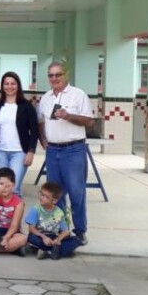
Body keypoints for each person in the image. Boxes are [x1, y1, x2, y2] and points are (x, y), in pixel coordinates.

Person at [37, 61, 94, 245]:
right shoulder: (45, 98)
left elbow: (89, 121)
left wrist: (68, 115)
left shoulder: (78, 95)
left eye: (58, 74)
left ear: (65, 76)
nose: (54, 78)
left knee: (76, 193)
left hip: (73, 150)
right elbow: (41, 121)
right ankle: (61, 230)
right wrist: (43, 140)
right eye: (51, 75)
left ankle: (79, 231)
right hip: (53, 150)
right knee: (54, 194)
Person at [0, 72, 39, 197]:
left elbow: (34, 131)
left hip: (19, 152)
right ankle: (3, 216)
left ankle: (15, 217)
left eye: (13, 83)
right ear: (2, 86)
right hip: (0, 151)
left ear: (18, 85)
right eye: (6, 84)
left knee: (14, 188)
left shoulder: (26, 106)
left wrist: (31, 151)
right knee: (3, 188)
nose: (9, 86)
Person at [26, 182, 82, 260]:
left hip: (54, 237)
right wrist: (44, 237)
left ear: (54, 201)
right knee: (31, 237)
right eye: (41, 194)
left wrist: (58, 240)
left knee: (76, 240)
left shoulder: (59, 212)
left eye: (46, 197)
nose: (42, 198)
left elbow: (65, 231)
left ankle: (47, 251)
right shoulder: (35, 209)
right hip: (40, 236)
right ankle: (57, 251)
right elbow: (31, 229)